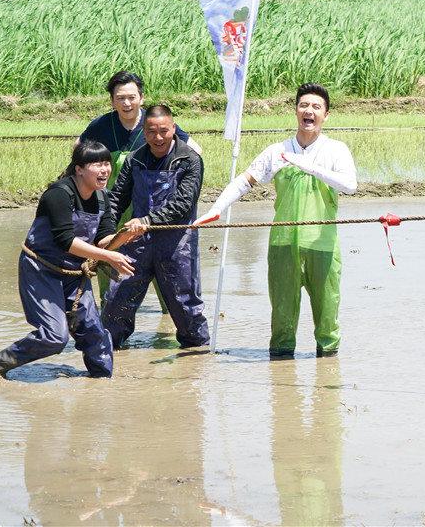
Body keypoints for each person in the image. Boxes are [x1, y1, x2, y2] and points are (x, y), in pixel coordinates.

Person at [195, 83, 357, 359]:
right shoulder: (277, 151)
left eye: (316, 107)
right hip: (282, 245)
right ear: (296, 110)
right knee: (282, 314)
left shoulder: (336, 150)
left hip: (322, 244)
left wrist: (310, 166)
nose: (309, 111)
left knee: (327, 313)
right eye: (304, 105)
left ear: (326, 115)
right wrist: (218, 207)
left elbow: (350, 185)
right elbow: (245, 181)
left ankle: (327, 376)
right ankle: (281, 378)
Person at [0, 142, 135, 381]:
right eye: (97, 164)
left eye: (106, 163)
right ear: (79, 169)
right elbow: (66, 240)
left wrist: (124, 236)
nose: (104, 169)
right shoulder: (59, 194)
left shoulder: (103, 198)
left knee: (94, 332)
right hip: (42, 269)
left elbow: (103, 240)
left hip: (75, 272)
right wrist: (108, 256)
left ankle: (103, 381)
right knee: (54, 336)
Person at [78, 71, 201, 310]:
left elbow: (194, 151)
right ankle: (109, 314)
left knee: (167, 272)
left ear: (141, 98)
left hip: (152, 210)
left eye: (131, 97)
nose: (126, 103)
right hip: (113, 207)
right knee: (110, 268)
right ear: (112, 100)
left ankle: (171, 316)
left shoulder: (156, 122)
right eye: (120, 98)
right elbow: (78, 156)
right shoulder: (101, 126)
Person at [102, 104, 210, 349]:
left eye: (164, 131)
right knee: (117, 301)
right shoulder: (135, 159)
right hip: (136, 243)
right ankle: (106, 351)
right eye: (151, 132)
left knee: (185, 306)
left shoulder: (189, 160)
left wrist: (147, 222)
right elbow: (118, 198)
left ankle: (197, 356)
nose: (158, 137)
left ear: (173, 128)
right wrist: (107, 232)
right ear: (144, 130)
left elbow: (183, 203)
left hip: (176, 245)